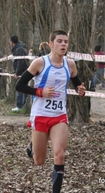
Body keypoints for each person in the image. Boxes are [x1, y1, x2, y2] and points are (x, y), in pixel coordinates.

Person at [16, 29, 86, 193]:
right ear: (51, 44)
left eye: (66, 42)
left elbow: (77, 84)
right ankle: (33, 143)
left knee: (59, 155)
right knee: (39, 161)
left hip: (59, 115)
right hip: (40, 114)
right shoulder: (40, 63)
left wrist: (80, 90)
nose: (63, 44)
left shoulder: (70, 64)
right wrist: (40, 92)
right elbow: (19, 85)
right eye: (60, 41)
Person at [10, 35, 29, 112]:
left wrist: (17, 73)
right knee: (23, 88)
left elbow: (20, 62)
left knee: (19, 87)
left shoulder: (19, 49)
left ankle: (20, 106)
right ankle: (23, 105)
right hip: (23, 71)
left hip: (22, 72)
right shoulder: (18, 48)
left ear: (12, 42)